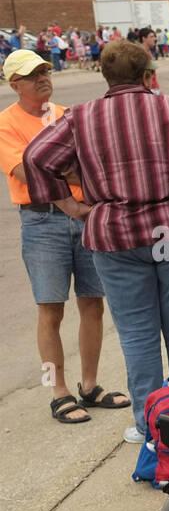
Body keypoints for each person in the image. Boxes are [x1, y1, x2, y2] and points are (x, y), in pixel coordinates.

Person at [23, 40, 169, 443]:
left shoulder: (81, 117)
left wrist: (73, 209)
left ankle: (152, 427)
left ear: (105, 78)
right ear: (148, 75)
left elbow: (36, 157)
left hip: (115, 232)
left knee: (137, 332)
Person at [0, 49, 130, 427]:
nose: (43, 76)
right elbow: (28, 173)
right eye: (32, 74)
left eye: (44, 69)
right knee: (50, 309)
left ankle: (89, 385)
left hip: (84, 218)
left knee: (93, 303)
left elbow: (86, 161)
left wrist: (74, 174)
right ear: (15, 85)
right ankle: (56, 391)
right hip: (43, 222)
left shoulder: (66, 115)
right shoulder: (6, 123)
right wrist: (79, 178)